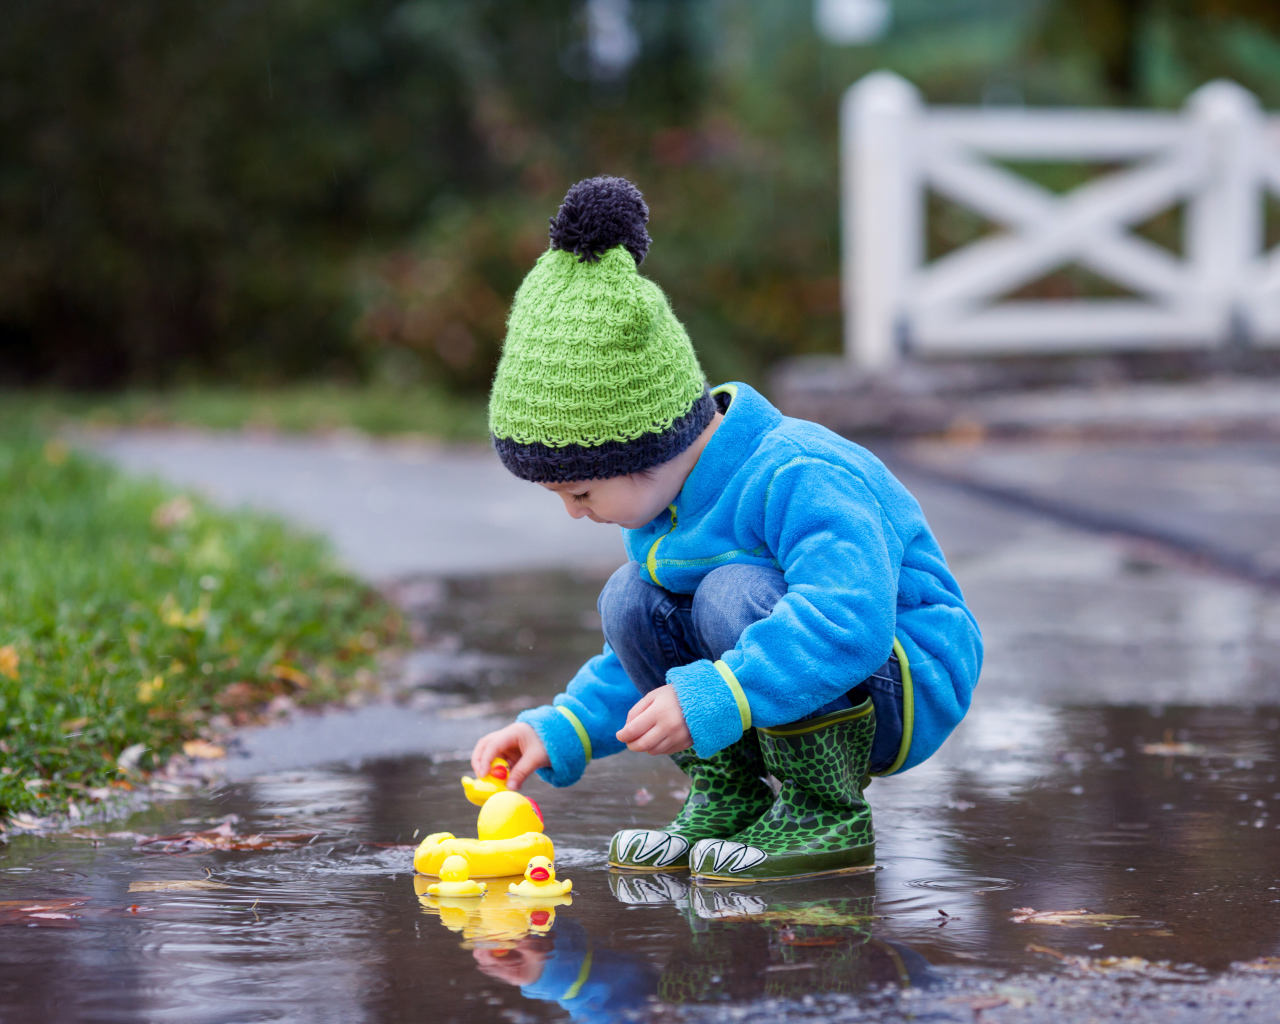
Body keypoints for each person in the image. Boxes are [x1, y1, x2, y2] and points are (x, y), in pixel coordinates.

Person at [470, 175, 982, 883]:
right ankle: (732, 797)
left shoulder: (796, 472)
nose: (572, 512)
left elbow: (851, 616)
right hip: (788, 671)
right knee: (633, 600)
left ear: (642, 450)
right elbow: (644, 661)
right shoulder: (666, 506)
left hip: (901, 676)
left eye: (580, 491)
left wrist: (717, 694)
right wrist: (558, 730)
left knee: (728, 593)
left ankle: (825, 808)